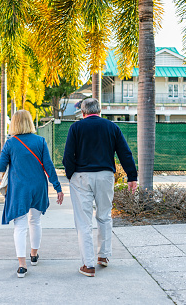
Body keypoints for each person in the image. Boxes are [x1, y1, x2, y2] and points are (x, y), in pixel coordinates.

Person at [63, 98, 137, 277]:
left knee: (84, 221)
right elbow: (125, 153)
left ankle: (88, 265)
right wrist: (132, 176)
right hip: (105, 176)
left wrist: (70, 174)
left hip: (81, 176)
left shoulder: (76, 128)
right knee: (104, 216)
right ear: (100, 111)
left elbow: (68, 156)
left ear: (83, 112)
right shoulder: (112, 127)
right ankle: (103, 256)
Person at [0, 110, 64, 278]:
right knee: (35, 221)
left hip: (19, 189)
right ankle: (34, 255)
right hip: (38, 187)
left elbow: (0, 168)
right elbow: (49, 166)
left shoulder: (10, 143)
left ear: (14, 124)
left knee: (20, 226)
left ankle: (22, 265)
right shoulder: (40, 141)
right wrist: (58, 187)